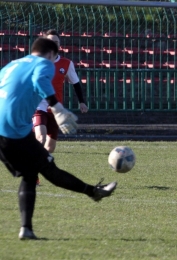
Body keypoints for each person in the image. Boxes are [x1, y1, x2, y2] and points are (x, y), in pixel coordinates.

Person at [0, 37, 117, 240]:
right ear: (52, 54)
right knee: (48, 168)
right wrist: (58, 107)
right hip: (13, 131)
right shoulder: (45, 63)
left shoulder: (13, 64)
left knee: (30, 173)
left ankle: (26, 229)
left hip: (6, 128)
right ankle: (93, 192)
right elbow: (39, 81)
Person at [33, 29, 88, 154]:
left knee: (50, 148)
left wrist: (82, 102)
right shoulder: (37, 62)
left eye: (56, 42)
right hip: (38, 106)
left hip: (56, 109)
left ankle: (38, 163)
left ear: (60, 45)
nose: (54, 44)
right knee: (40, 138)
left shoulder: (66, 63)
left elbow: (76, 83)